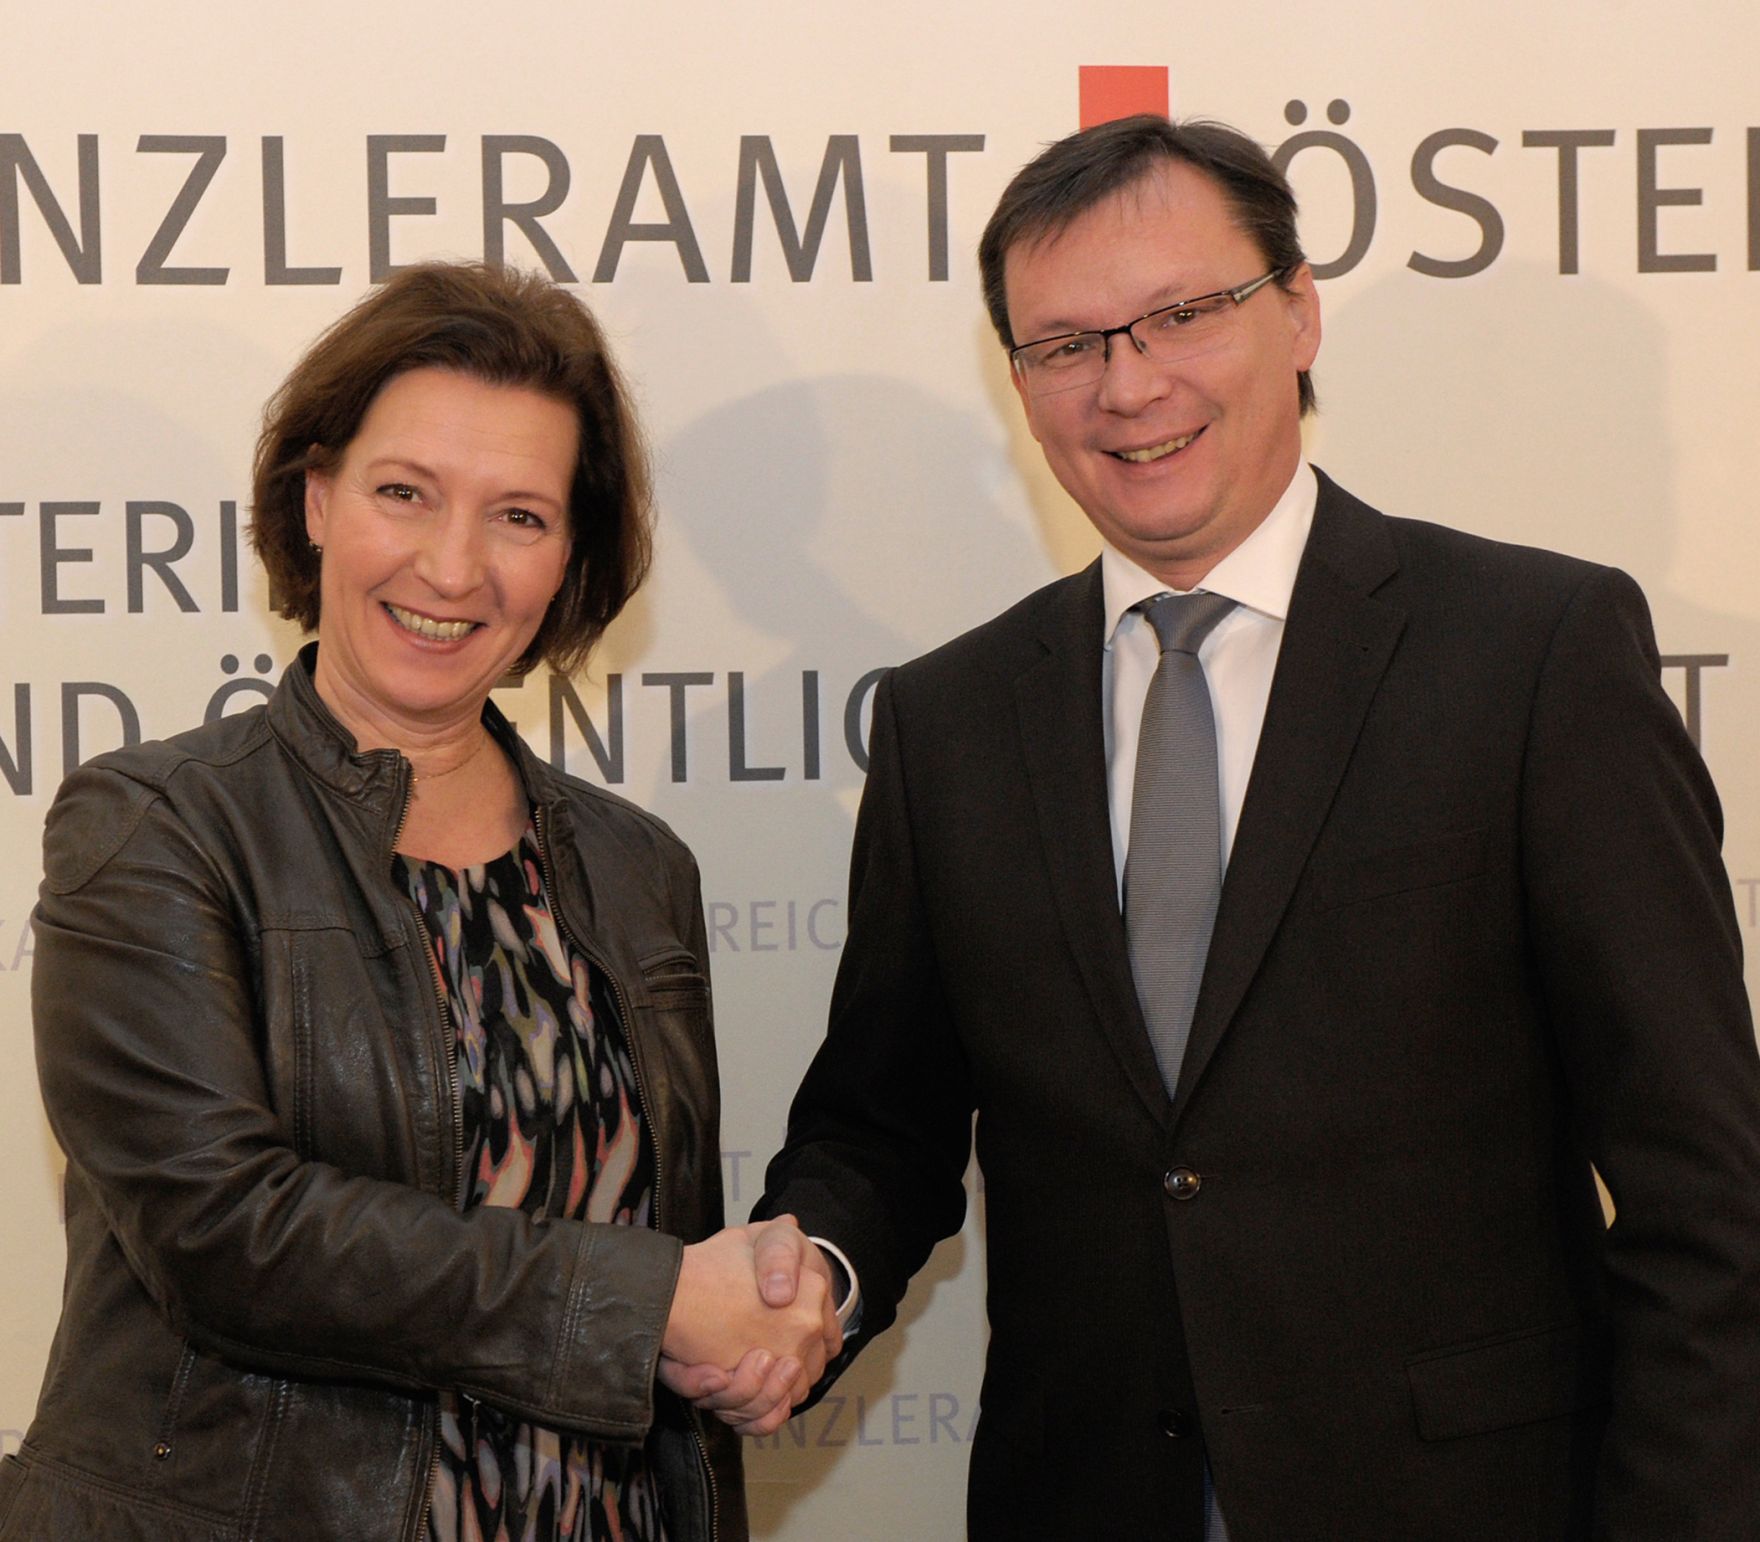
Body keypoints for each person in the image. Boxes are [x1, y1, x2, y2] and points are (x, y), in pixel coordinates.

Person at [688, 117, 1760, 1537]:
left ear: (1300, 309)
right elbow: (882, 1120)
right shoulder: (952, 718)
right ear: (1018, 380)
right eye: (1065, 344)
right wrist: (812, 1266)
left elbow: (1705, 1189)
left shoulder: (1534, 652)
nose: (1129, 385)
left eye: (1184, 314)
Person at [2, 261, 840, 1542]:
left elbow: (655, 1240)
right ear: (320, 498)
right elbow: (224, 1237)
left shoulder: (634, 869)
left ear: (569, 556)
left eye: (519, 515)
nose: (454, 567)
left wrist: (752, 1322)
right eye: (405, 493)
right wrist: (655, 1301)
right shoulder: (158, 825)